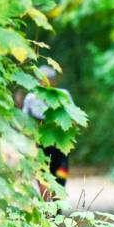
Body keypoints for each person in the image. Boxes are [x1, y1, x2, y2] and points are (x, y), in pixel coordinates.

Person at [21, 65, 72, 200]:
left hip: (60, 144)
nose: (43, 84)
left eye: (48, 81)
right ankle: (47, 209)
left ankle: (57, 204)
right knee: (43, 179)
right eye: (41, 81)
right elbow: (24, 122)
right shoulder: (31, 99)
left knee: (60, 178)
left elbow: (73, 119)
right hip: (40, 145)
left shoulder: (63, 96)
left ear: (54, 82)